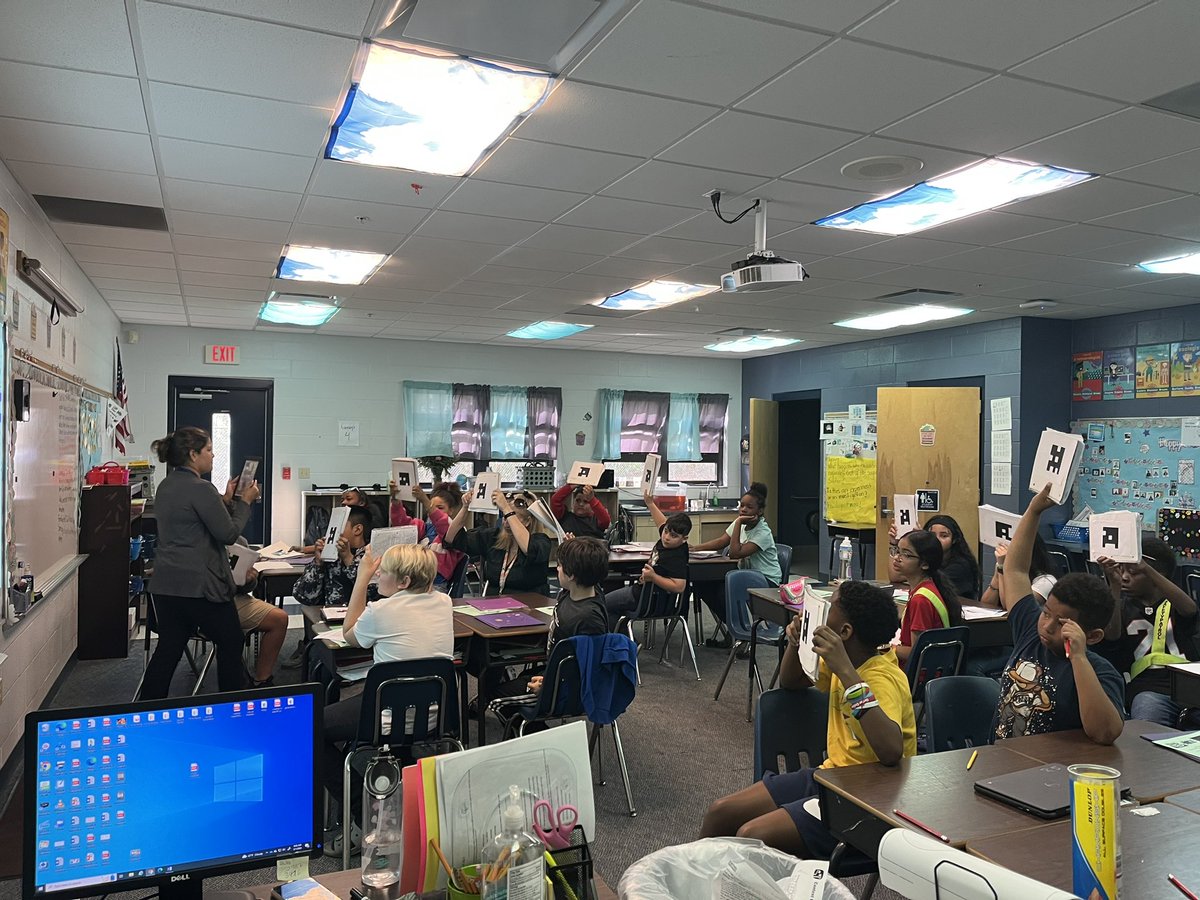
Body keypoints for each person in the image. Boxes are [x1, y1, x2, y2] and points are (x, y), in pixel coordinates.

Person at [699, 581, 916, 857]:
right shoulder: (844, 658)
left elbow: (891, 751)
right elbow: (791, 681)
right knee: (721, 812)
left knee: (752, 835)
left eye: (830, 608)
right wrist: (795, 641)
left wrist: (848, 675)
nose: (822, 612)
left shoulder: (880, 677)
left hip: (868, 799)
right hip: (831, 776)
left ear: (844, 632)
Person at [321, 543, 454, 853]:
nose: (378, 573)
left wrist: (361, 579)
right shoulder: (444, 602)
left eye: (384, 572)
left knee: (311, 729)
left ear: (404, 582)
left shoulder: (380, 611)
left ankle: (360, 815)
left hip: (386, 718)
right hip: (434, 718)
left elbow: (349, 634)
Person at [992, 485, 1124, 744]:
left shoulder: (1100, 672)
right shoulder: (1031, 631)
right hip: (1002, 761)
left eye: (1062, 623)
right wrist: (1033, 510)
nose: (1047, 626)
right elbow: (1017, 569)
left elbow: (1105, 732)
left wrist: (1078, 657)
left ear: (1093, 636)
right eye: (1046, 613)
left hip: (1051, 772)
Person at [142, 427, 259, 699]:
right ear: (193, 455)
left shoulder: (167, 485)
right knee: (231, 641)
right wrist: (244, 502)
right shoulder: (201, 488)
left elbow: (193, 522)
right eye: (208, 449)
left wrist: (226, 500)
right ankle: (230, 706)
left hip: (167, 585)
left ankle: (147, 707)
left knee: (169, 648)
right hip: (200, 585)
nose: (213, 454)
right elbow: (228, 533)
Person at [488, 537, 611, 720]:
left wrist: (547, 685)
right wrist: (573, 548)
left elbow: (586, 666)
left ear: (572, 575)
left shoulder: (588, 618)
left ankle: (541, 738)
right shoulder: (577, 592)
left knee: (495, 699)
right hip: (552, 673)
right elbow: (590, 566)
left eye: (560, 566)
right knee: (500, 681)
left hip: (564, 688)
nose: (557, 569)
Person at [1098, 536, 1198, 727]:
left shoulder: (1175, 603)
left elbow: (1190, 610)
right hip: (1149, 689)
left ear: (1156, 575)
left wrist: (1145, 567)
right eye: (1122, 570)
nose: (1125, 576)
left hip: (1190, 686)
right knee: (1146, 722)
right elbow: (1111, 635)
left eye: (1133, 572)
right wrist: (1114, 586)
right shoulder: (1122, 608)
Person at [691, 483, 783, 648]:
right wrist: (694, 548)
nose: (743, 509)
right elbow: (721, 541)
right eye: (742, 506)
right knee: (703, 585)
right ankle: (733, 631)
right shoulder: (739, 522)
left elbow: (735, 553)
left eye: (749, 507)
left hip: (766, 580)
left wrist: (739, 522)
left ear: (759, 511)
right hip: (745, 577)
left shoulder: (763, 532)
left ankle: (743, 635)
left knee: (725, 592)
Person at [284, 505, 375, 667]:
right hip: (329, 625)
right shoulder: (330, 556)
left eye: (340, 526)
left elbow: (373, 594)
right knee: (320, 666)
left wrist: (348, 559)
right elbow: (303, 595)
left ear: (357, 529)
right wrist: (318, 562)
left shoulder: (371, 556)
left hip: (362, 626)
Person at [446, 489, 552, 596]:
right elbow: (451, 538)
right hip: (495, 604)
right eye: (504, 516)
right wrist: (465, 507)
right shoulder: (493, 537)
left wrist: (506, 508)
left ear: (528, 521)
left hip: (529, 605)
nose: (506, 520)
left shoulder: (541, 542)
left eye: (512, 516)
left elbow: (529, 548)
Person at [604, 490, 690, 621]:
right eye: (666, 532)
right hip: (644, 592)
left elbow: (679, 586)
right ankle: (624, 634)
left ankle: (623, 638)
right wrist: (650, 503)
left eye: (674, 536)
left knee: (602, 605)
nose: (666, 537)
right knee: (610, 607)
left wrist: (653, 577)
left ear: (684, 539)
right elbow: (661, 522)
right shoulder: (667, 540)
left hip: (645, 598)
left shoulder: (676, 556)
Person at [889, 529, 963, 666]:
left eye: (907, 555)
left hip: (916, 677)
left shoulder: (920, 600)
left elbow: (917, 651)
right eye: (897, 551)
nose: (897, 557)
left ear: (925, 564)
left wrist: (886, 649)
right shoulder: (927, 588)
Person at [389, 481, 467, 589]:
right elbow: (402, 524)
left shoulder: (454, 531)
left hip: (436, 586)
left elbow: (443, 523)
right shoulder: (424, 527)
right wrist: (396, 500)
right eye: (431, 507)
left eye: (440, 508)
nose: (433, 511)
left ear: (451, 510)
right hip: (414, 581)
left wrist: (425, 500)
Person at [980, 535, 1057, 607]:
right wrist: (998, 574)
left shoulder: (1046, 581)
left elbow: (1011, 607)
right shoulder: (1005, 568)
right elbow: (986, 604)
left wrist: (1002, 567)